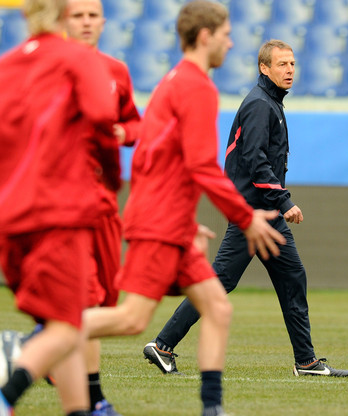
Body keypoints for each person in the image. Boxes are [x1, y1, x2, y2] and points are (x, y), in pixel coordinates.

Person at [82, 2, 286, 416]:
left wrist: (184, 218)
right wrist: (245, 218)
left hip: (167, 219)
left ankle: (212, 408)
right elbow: (201, 167)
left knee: (217, 306)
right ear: (206, 36)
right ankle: (37, 342)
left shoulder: (175, 81)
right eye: (226, 35)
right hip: (159, 223)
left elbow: (149, 160)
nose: (231, 42)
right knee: (131, 319)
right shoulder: (195, 86)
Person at [142, 39, 348, 378]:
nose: (290, 70)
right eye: (282, 64)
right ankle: (163, 344)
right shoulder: (260, 105)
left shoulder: (270, 103)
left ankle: (307, 361)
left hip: (262, 214)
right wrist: (284, 201)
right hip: (252, 213)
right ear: (264, 68)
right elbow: (255, 161)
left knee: (291, 278)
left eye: (293, 64)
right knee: (219, 281)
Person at [0, 0, 118, 414]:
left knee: (61, 323)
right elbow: (104, 118)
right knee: (70, 325)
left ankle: (79, 410)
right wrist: (112, 177)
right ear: (65, 15)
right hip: (58, 212)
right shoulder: (76, 58)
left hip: (11, 217)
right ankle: (7, 387)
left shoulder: (6, 64)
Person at [61, 1, 140, 414]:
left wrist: (123, 130)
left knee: (108, 300)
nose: (87, 22)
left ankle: (44, 343)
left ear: (104, 22)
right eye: (78, 15)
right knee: (87, 300)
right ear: (63, 20)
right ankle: (94, 399)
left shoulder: (116, 71)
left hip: (106, 203)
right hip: (63, 205)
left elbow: (137, 124)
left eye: (93, 15)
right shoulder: (48, 70)